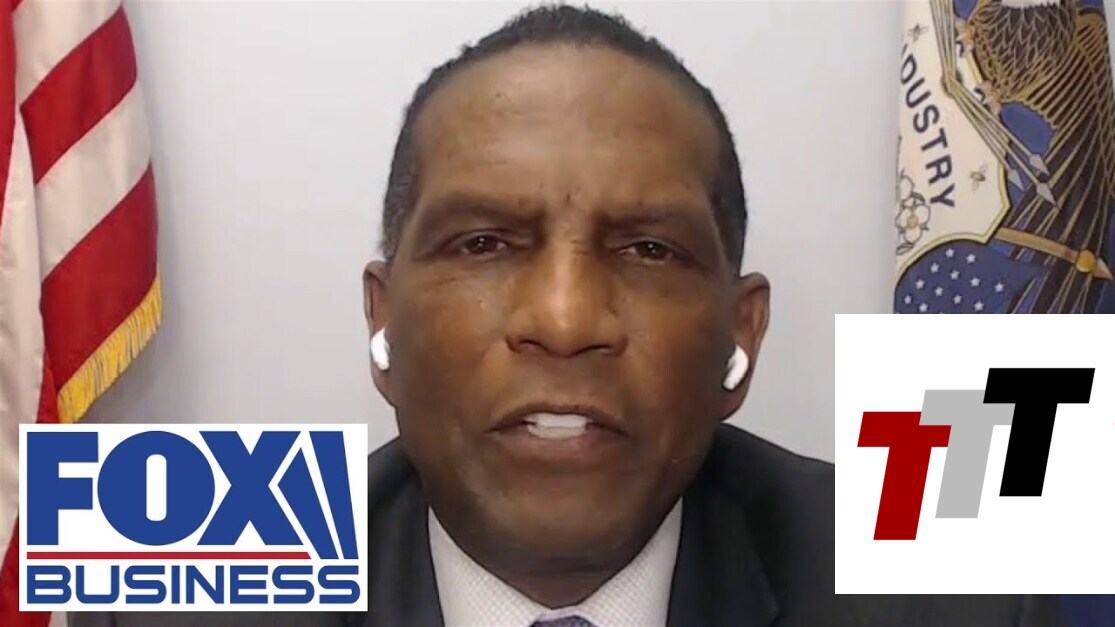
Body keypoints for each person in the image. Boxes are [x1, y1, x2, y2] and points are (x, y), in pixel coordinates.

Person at [73, 4, 1067, 627]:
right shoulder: (168, 578)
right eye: (482, 243)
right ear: (383, 325)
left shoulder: (957, 587)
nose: (562, 318)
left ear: (740, 333)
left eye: (648, 249)